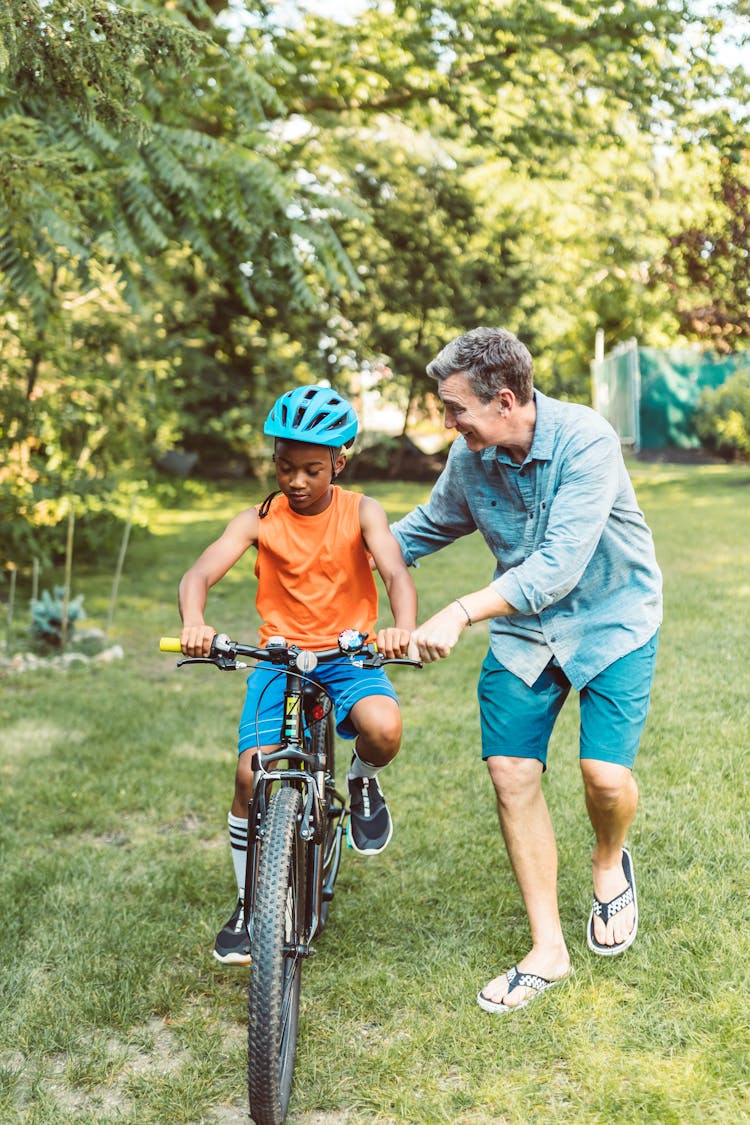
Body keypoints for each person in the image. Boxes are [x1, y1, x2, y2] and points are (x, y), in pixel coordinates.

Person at [393, 327, 662, 1013]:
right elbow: (427, 525)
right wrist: (325, 546)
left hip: (612, 619)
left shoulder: (587, 441)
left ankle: (609, 860)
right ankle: (549, 948)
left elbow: (558, 566)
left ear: (504, 400)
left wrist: (457, 611)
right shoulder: (471, 456)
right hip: (525, 632)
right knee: (512, 771)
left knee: (604, 776)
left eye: (454, 408)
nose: (447, 421)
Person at [178, 385, 417, 965]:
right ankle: (246, 901)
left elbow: (393, 570)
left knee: (384, 729)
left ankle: (360, 781)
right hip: (279, 658)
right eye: (285, 466)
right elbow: (199, 574)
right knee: (248, 774)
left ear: (339, 460)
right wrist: (195, 621)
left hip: (347, 653)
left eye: (312, 468)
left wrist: (402, 626)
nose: (297, 481)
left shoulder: (362, 510)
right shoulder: (259, 519)